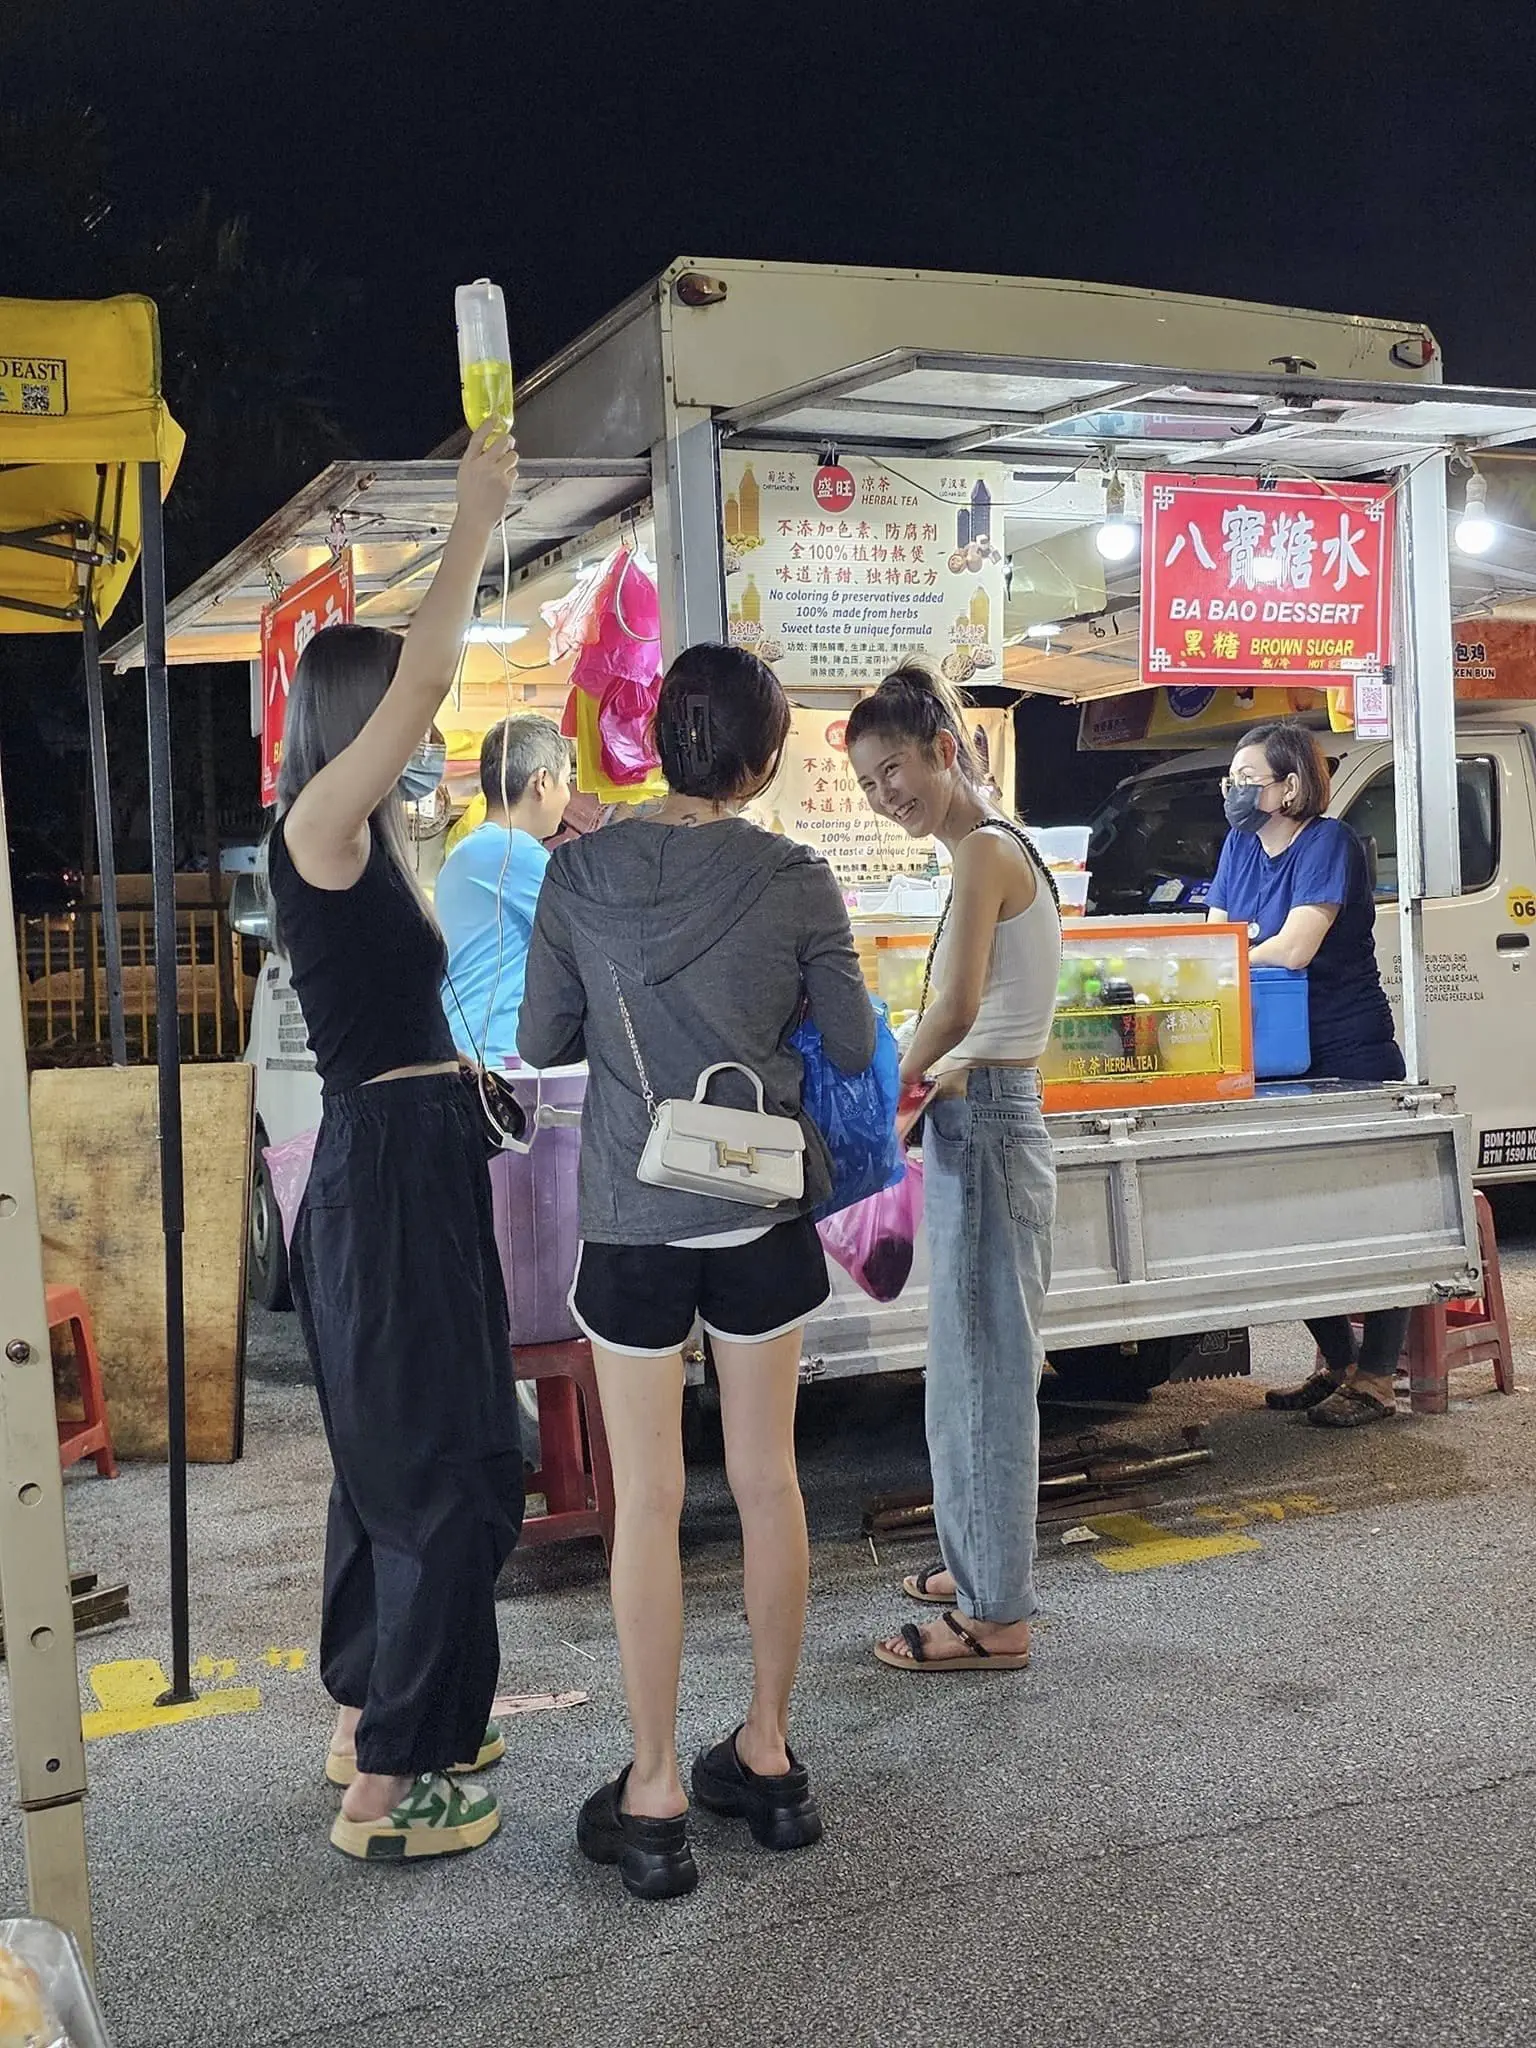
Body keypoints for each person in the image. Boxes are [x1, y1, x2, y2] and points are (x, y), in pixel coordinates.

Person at [518, 642, 875, 1901]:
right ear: (765, 760)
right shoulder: (798, 878)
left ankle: (659, 1786)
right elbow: (851, 1041)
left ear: (655, 741)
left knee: (650, 1500)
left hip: (633, 1216)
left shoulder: (578, 872)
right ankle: (769, 1756)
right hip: (758, 1209)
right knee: (769, 1479)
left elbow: (541, 1037)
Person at [266, 423, 525, 1861]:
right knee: (444, 1459)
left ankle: (382, 1714)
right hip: (390, 1166)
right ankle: (394, 1780)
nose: (419, 742)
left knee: (395, 1460)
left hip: (401, 1153)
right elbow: (426, 679)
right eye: (397, 721)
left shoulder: (346, 842)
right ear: (357, 717)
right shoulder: (323, 820)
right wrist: (475, 513)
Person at [846, 663, 1062, 1674]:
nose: (884, 795)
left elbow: (960, 1005)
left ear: (942, 749)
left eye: (892, 770)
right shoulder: (993, 844)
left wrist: (891, 1080)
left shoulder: (981, 849)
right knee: (970, 1366)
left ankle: (994, 1617)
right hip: (979, 1123)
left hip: (988, 1124)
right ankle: (978, 1565)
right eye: (867, 783)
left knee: (984, 1375)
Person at [1207, 721, 1408, 1427]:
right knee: (1285, 1218)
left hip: (1349, 1051)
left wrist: (1237, 946)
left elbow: (1293, 947)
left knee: (1376, 1216)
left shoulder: (1329, 843)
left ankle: (1377, 1380)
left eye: (1248, 779)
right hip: (1272, 1053)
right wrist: (1235, 945)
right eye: (1231, 780)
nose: (1234, 792)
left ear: (1290, 785)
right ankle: (1339, 1361)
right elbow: (1215, 936)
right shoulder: (1238, 846)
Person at [436, 714, 572, 1067]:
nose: (568, 796)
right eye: (566, 781)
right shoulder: (514, 852)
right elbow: (588, 931)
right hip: (496, 1056)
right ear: (541, 782)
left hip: (465, 1047)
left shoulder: (467, 851)